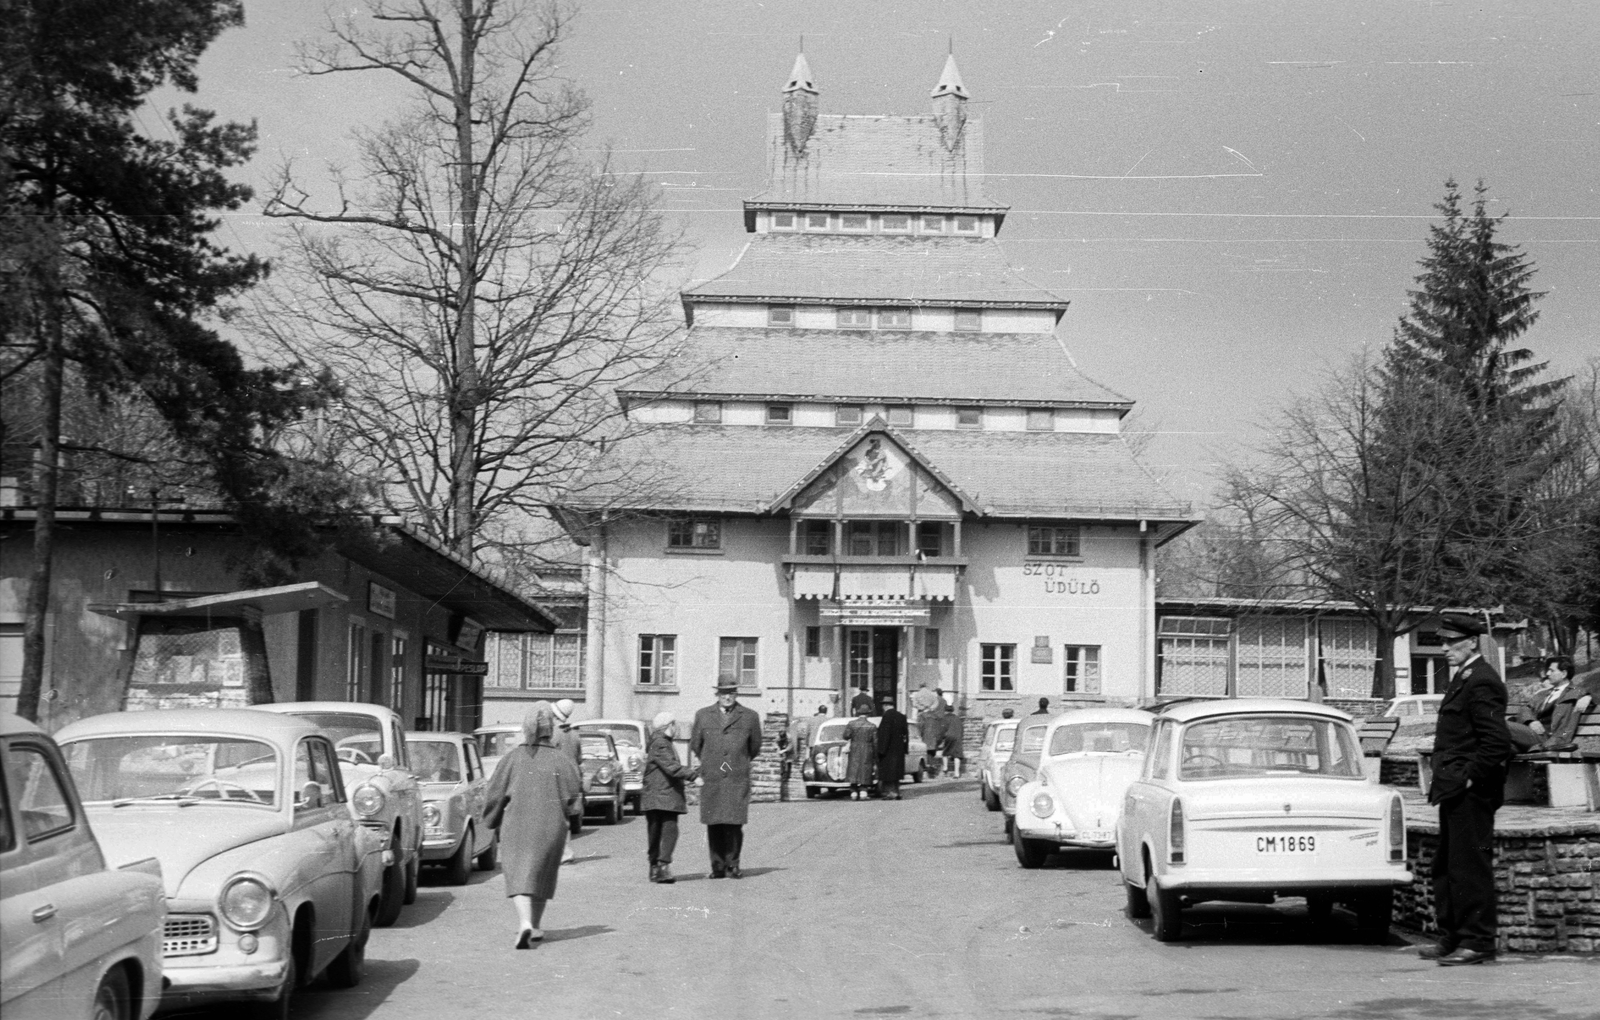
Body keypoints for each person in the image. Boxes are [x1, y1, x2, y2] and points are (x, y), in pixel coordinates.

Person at [1422, 613, 1513, 966]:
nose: (1444, 648)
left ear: (1472, 641)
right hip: (1454, 787)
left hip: (1471, 790)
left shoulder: (1482, 681)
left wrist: (1470, 777)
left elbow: (1496, 742)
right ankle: (1453, 937)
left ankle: (1477, 942)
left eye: (1450, 641)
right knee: (1447, 865)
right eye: (1442, 641)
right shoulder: (1465, 677)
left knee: (1470, 867)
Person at [482, 702, 582, 949]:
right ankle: (535, 927)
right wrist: (569, 812)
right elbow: (573, 795)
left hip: (518, 824)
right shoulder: (561, 760)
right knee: (542, 875)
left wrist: (491, 820)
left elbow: (495, 794)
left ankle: (525, 923)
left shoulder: (512, 758)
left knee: (518, 876)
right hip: (552, 826)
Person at [689, 678, 764, 878]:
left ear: (737, 694)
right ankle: (718, 867)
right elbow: (696, 745)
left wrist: (733, 763)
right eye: (723, 693)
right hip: (712, 778)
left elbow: (754, 747)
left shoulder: (749, 717)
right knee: (714, 823)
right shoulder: (703, 716)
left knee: (734, 823)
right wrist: (712, 762)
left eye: (731, 693)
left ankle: (733, 864)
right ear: (717, 695)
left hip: (736, 778)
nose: (727, 697)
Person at [641, 711, 697, 884]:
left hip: (656, 795)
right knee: (669, 830)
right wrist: (693, 776)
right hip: (665, 795)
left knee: (655, 832)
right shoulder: (661, 743)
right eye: (674, 724)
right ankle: (663, 867)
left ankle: (654, 868)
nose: (676, 728)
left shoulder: (657, 742)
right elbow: (671, 767)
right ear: (669, 726)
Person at [1509, 657, 1592, 753]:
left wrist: (1588, 697)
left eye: (1551, 670)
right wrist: (1531, 721)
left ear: (1563, 674)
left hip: (1547, 739)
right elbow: (1526, 708)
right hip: (1531, 735)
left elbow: (1593, 695)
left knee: (1499, 725)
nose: (1548, 674)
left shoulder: (1576, 692)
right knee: (1500, 746)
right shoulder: (1543, 694)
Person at [551, 698, 583, 863]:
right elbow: (579, 759)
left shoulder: (552, 734)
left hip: (555, 780)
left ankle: (559, 854)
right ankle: (566, 853)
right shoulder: (575, 735)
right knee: (565, 818)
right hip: (571, 781)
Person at [875, 700, 910, 800]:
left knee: (888, 772)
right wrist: (905, 748)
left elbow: (884, 735)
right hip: (899, 749)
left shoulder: (887, 717)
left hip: (888, 750)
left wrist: (881, 750)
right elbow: (905, 734)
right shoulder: (902, 716)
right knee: (897, 772)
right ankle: (897, 791)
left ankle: (891, 793)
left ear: (885, 706)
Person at [842, 704, 877, 800]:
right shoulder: (872, 726)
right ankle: (863, 791)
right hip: (867, 749)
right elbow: (875, 742)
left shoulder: (851, 724)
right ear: (868, 714)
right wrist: (875, 755)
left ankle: (853, 791)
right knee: (865, 769)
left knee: (854, 768)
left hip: (855, 748)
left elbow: (845, 736)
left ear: (858, 713)